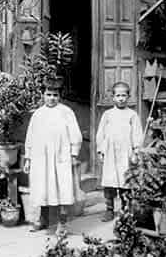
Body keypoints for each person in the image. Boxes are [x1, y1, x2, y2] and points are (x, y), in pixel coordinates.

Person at [23, 77, 83, 235]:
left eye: (55, 95)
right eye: (48, 94)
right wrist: (28, 158)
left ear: (60, 96)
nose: (52, 98)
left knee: (62, 187)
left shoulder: (66, 112)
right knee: (43, 186)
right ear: (43, 95)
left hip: (61, 156)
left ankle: (62, 223)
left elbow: (75, 134)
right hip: (41, 158)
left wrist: (73, 154)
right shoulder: (38, 114)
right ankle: (43, 219)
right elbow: (30, 137)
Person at [95, 81, 144, 224]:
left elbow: (137, 134)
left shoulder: (132, 115)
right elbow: (101, 133)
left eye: (124, 95)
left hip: (126, 152)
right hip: (110, 152)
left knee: (125, 180)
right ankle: (109, 209)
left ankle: (125, 208)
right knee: (109, 181)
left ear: (128, 97)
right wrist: (100, 150)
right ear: (113, 97)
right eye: (118, 95)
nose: (121, 98)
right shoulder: (107, 114)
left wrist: (136, 150)